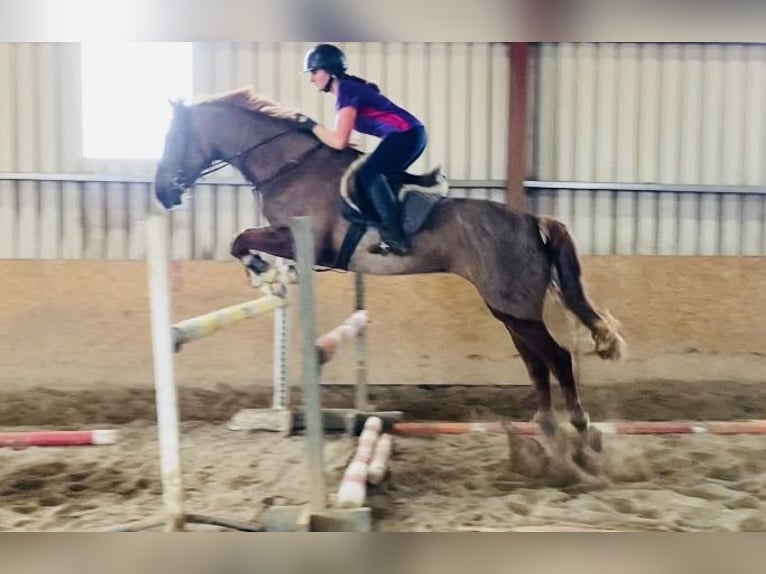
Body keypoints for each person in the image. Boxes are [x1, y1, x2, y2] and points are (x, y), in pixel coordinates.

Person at [296, 43, 427, 256]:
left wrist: (309, 125)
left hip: (407, 134)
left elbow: (338, 141)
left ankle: (395, 236)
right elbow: (341, 138)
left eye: (314, 72)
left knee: (368, 173)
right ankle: (393, 226)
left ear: (328, 71)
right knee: (371, 177)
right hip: (410, 135)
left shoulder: (346, 90)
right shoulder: (346, 90)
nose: (311, 79)